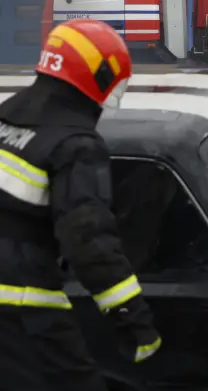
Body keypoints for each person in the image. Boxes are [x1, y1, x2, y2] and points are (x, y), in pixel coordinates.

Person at [0, 19, 162, 390]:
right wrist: (133, 319)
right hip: (23, 305)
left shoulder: (9, 114)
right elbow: (88, 241)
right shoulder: (77, 145)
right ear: (99, 78)